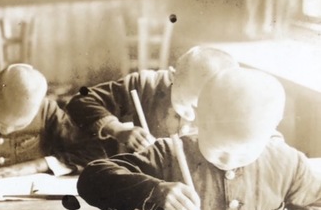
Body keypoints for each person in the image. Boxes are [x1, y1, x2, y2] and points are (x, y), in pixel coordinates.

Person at [78, 67, 321, 210]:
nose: (229, 162)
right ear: (196, 120)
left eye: (245, 154)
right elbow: (93, 177)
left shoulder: (287, 161)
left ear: (272, 130)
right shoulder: (170, 152)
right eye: (218, 150)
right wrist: (155, 190)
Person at [65, 45, 237, 153]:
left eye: (201, 106)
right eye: (186, 103)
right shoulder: (146, 85)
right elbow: (81, 101)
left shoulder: (229, 103)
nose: (191, 115)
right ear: (172, 76)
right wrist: (118, 130)